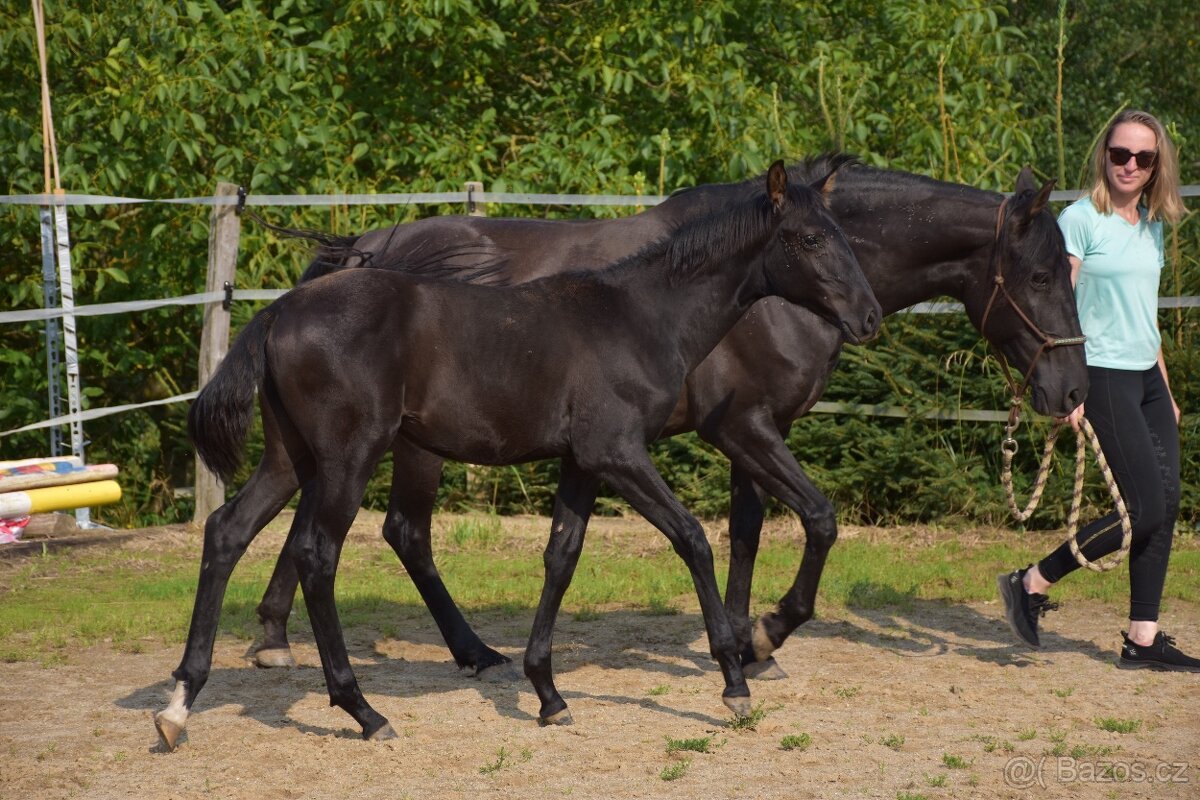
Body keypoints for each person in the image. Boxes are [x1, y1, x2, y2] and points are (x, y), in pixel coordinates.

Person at [998, 109, 1198, 671]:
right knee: (1141, 507)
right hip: (1102, 374)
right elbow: (1056, 307)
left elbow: (1145, 311)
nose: (1129, 165)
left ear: (1158, 165)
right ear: (1103, 157)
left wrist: (1165, 382)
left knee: (1167, 504)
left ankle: (1142, 639)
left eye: (1143, 157)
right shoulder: (1079, 220)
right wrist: (1070, 388)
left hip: (1146, 377)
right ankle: (1032, 581)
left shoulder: (1152, 223)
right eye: (1119, 155)